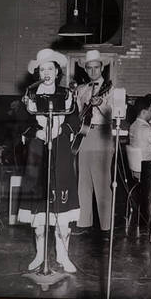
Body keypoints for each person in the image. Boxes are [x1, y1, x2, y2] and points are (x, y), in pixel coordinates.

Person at [17, 49, 79, 273]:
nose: (46, 73)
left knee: (62, 210)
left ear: (56, 71)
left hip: (60, 152)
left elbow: (75, 121)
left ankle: (63, 256)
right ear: (38, 72)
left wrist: (61, 129)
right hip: (38, 151)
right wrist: (37, 132)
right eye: (42, 69)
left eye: (50, 69)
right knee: (40, 213)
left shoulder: (66, 94)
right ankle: (39, 255)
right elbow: (21, 122)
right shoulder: (30, 96)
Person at [74, 50, 114, 235]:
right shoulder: (81, 89)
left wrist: (101, 104)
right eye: (89, 68)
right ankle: (83, 223)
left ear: (102, 67)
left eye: (96, 67)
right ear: (85, 69)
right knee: (83, 180)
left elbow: (115, 115)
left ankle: (106, 227)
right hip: (84, 134)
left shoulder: (112, 89)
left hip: (102, 134)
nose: (92, 71)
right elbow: (77, 113)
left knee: (102, 181)